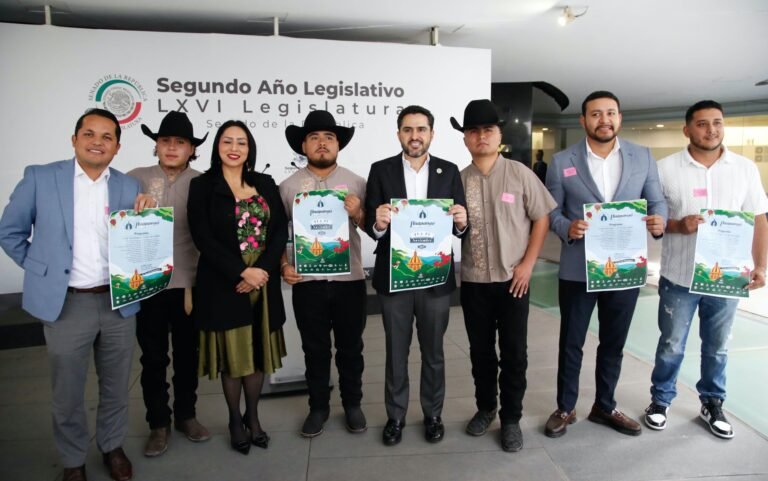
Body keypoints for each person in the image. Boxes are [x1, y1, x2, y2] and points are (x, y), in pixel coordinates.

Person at [0, 109, 145, 481]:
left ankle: (112, 446)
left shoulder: (129, 187)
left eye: (107, 136)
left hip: (118, 303)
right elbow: (10, 232)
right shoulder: (41, 177)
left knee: (115, 387)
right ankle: (72, 460)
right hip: (67, 304)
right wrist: (41, 270)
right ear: (74, 139)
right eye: (89, 134)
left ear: (117, 146)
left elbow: (138, 243)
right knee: (67, 393)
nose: (98, 141)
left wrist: (148, 220)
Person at [545, 90, 668, 438]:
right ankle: (565, 407)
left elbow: (656, 201)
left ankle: (604, 405)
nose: (604, 120)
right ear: (583, 120)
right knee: (571, 341)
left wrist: (659, 220)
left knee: (613, 342)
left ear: (619, 117)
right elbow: (550, 210)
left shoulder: (642, 157)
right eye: (596, 114)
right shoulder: (562, 161)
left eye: (610, 113)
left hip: (625, 266)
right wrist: (565, 227)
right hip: (578, 269)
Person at [644, 100, 768, 439]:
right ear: (687, 130)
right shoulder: (665, 169)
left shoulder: (744, 169)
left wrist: (761, 266)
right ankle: (660, 400)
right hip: (679, 276)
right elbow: (652, 221)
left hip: (726, 279)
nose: (711, 129)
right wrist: (678, 225)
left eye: (717, 122)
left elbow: (759, 219)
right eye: (701, 123)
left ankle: (712, 402)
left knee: (718, 345)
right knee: (671, 344)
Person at [451, 99, 556, 452]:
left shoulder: (520, 174)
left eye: (488, 130)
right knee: (481, 352)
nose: (481, 137)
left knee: (514, 353)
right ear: (465, 138)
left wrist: (528, 264)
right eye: (474, 131)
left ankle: (511, 418)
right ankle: (485, 408)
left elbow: (542, 217)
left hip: (514, 281)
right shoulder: (456, 180)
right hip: (474, 283)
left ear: (499, 136)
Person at [365, 105, 468, 446]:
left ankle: (433, 414)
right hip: (395, 276)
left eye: (421, 129)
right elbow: (371, 224)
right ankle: (395, 417)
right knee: (396, 351)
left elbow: (461, 228)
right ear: (399, 134)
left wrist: (462, 221)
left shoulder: (449, 171)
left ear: (431, 134)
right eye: (408, 129)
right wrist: (378, 223)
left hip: (436, 278)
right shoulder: (381, 170)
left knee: (433, 352)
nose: (415, 136)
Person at [187, 120, 288, 455]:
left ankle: (253, 417)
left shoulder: (264, 182)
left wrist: (261, 269)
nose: (234, 148)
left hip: (263, 282)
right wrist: (242, 273)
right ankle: (234, 419)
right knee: (235, 357)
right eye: (227, 141)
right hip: (224, 284)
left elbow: (278, 230)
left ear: (250, 148)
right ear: (217, 147)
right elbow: (203, 237)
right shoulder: (203, 185)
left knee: (257, 354)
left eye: (241, 142)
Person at [279, 110, 368, 438]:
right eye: (314, 137)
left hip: (350, 281)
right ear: (303, 144)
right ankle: (318, 407)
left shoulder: (357, 182)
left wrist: (357, 210)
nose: (321, 143)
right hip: (308, 282)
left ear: (338, 144)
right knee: (314, 348)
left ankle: (353, 404)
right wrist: (284, 265)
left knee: (351, 347)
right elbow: (276, 235)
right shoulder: (287, 186)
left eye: (328, 137)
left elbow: (373, 228)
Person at [128, 111, 210, 457]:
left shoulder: (204, 182)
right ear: (156, 146)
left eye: (180, 142)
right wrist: (133, 212)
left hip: (190, 282)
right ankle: (158, 423)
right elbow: (115, 228)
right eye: (165, 141)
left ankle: (186, 415)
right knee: (153, 357)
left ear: (192, 149)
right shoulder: (133, 179)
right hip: (146, 284)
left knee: (188, 356)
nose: (172, 147)